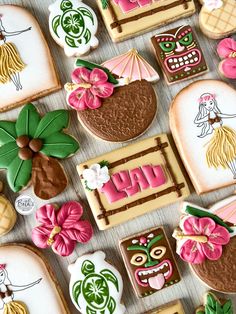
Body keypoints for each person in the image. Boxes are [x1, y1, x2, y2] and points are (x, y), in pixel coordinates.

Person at [194, 93, 236, 178]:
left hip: (226, 133)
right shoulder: (207, 117)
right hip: (218, 136)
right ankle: (234, 172)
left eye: (211, 103)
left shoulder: (217, 114)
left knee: (232, 151)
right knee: (225, 154)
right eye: (205, 104)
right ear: (203, 106)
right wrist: (202, 115)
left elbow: (227, 116)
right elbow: (196, 121)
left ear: (214, 102)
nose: (209, 106)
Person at [0, 15, 31, 90]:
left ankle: (18, 84)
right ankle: (17, 84)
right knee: (9, 70)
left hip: (8, 50)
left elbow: (13, 33)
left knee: (13, 68)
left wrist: (25, 30)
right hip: (2, 53)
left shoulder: (3, 33)